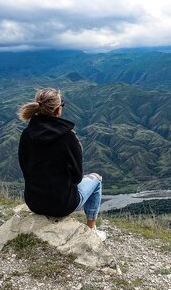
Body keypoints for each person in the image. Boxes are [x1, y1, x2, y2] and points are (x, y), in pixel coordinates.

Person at [18, 88, 106, 241]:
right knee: (96, 179)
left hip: (33, 201)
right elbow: (78, 177)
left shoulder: (27, 134)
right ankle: (91, 231)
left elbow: (24, 167)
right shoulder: (68, 137)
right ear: (58, 110)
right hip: (62, 205)